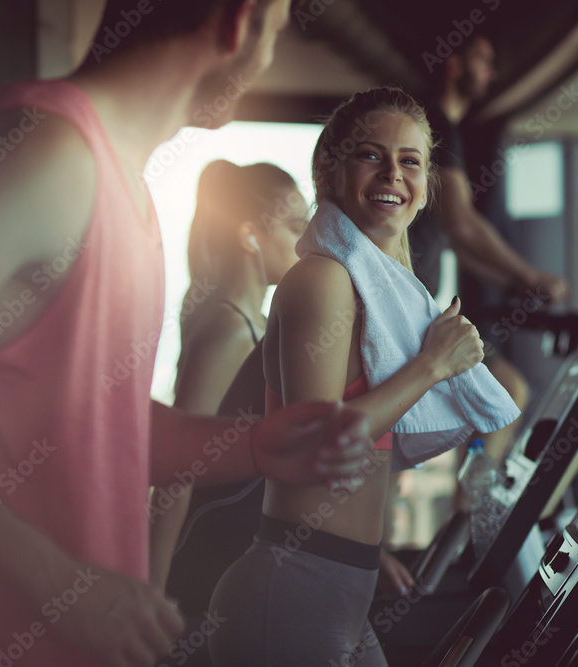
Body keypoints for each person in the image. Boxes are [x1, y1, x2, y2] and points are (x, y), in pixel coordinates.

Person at [0, 3, 376, 666]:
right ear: (242, 21)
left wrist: (255, 445)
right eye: (278, 27)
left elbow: (104, 425)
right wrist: (64, 587)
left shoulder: (129, 192)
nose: (270, 53)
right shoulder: (48, 154)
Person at [208, 87, 503, 666]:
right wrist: (432, 366)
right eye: (371, 155)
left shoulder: (380, 297)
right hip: (293, 589)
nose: (393, 172)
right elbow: (314, 439)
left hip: (339, 587)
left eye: (410, 161)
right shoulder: (322, 280)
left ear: (424, 187)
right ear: (329, 170)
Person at [148, 160, 308, 592]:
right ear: (250, 235)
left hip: (236, 552)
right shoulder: (229, 328)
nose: (309, 240)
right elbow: (175, 468)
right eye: (296, 227)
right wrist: (153, 587)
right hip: (202, 561)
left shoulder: (255, 322)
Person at [410, 33, 569, 460]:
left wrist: (509, 282)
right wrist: (531, 275)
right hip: (408, 312)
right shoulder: (435, 124)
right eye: (483, 59)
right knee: (508, 392)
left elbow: (457, 243)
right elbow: (461, 224)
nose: (492, 73)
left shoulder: (445, 128)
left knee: (502, 395)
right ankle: (473, 517)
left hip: (415, 307)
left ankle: (470, 509)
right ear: (454, 64)